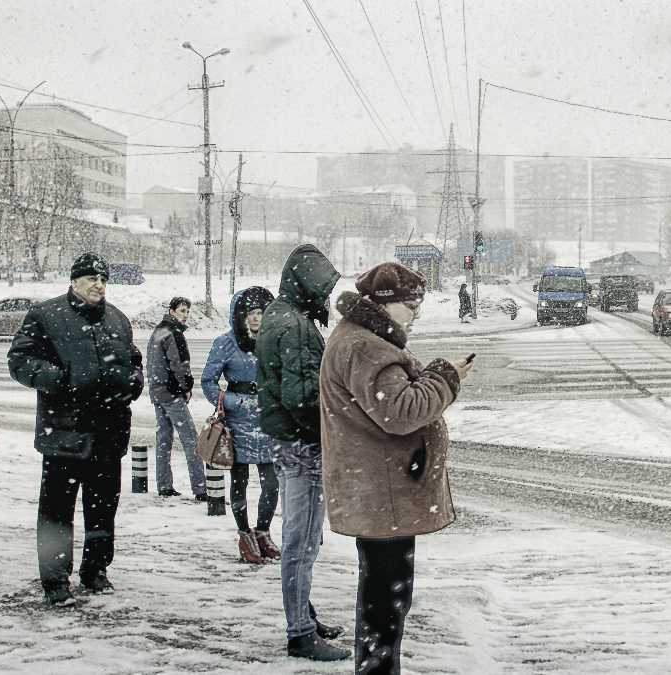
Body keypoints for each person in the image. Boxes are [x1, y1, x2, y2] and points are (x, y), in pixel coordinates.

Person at [320, 262, 471, 675]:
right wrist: (445, 378)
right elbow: (401, 412)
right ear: (386, 304)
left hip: (377, 489)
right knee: (385, 599)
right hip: (381, 493)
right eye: (411, 303)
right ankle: (376, 670)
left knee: (383, 595)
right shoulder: (367, 347)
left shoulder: (360, 339)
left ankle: (376, 666)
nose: (416, 312)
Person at [8, 252, 144, 607]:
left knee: (102, 508)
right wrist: (62, 379)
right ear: (74, 282)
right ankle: (55, 581)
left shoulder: (117, 319)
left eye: (103, 279)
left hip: (108, 434)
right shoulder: (46, 315)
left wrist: (133, 382)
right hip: (64, 435)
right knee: (57, 512)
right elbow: (20, 361)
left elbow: (134, 361)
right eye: (91, 279)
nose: (98, 285)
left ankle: (95, 571)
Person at [256, 244, 350, 662]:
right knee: (302, 541)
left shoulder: (281, 315)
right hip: (303, 447)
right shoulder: (294, 325)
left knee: (303, 535)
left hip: (286, 441)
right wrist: (329, 434)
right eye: (324, 289)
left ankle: (305, 617)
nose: (327, 297)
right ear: (308, 286)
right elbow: (303, 396)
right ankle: (299, 633)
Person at [201, 286, 279, 564]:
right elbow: (207, 380)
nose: (256, 319)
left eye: (261, 313)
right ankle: (244, 534)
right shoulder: (225, 343)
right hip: (238, 422)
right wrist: (231, 402)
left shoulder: (272, 340)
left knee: (271, 482)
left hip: (268, 420)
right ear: (239, 316)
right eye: (251, 313)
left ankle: (263, 531)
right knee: (240, 480)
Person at [148, 297, 206, 500]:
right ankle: (201, 488)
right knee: (191, 439)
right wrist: (186, 387)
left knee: (164, 439)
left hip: (158, 391)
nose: (185, 315)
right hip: (172, 393)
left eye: (187, 311)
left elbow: (153, 363)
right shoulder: (174, 334)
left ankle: (164, 485)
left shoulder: (157, 332)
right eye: (182, 310)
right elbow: (180, 365)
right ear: (171, 311)